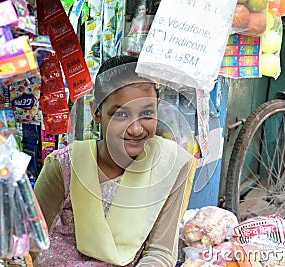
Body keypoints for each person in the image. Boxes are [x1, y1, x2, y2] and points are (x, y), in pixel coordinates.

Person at [32, 55, 197, 266]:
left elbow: (160, 252)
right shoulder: (64, 167)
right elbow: (30, 243)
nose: (136, 129)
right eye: (120, 115)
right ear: (96, 113)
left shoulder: (171, 165)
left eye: (147, 114)